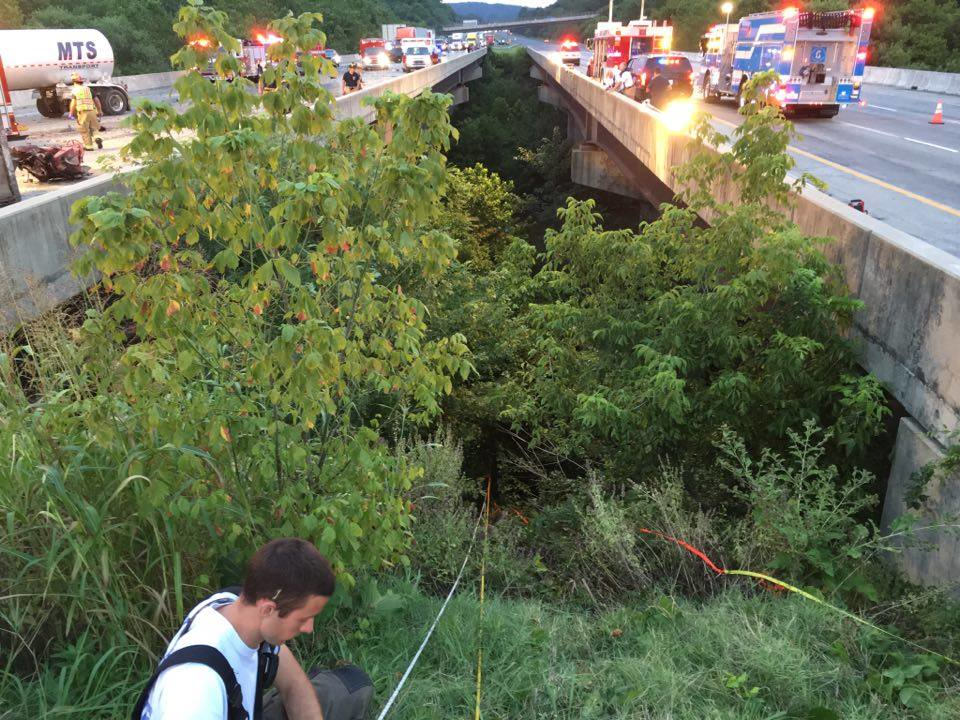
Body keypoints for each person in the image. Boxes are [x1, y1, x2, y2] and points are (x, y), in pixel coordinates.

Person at [133, 538, 371, 720]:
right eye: (303, 619)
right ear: (268, 609)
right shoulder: (195, 689)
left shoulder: (240, 608)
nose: (309, 628)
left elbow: (294, 685)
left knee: (352, 689)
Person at [67, 73, 103, 151]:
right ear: (81, 81)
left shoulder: (75, 90)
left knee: (85, 130)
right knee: (95, 127)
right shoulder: (88, 89)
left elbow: (73, 103)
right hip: (92, 111)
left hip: (82, 113)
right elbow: (96, 100)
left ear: (74, 82)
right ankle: (98, 138)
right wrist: (99, 110)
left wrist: (70, 113)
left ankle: (89, 146)